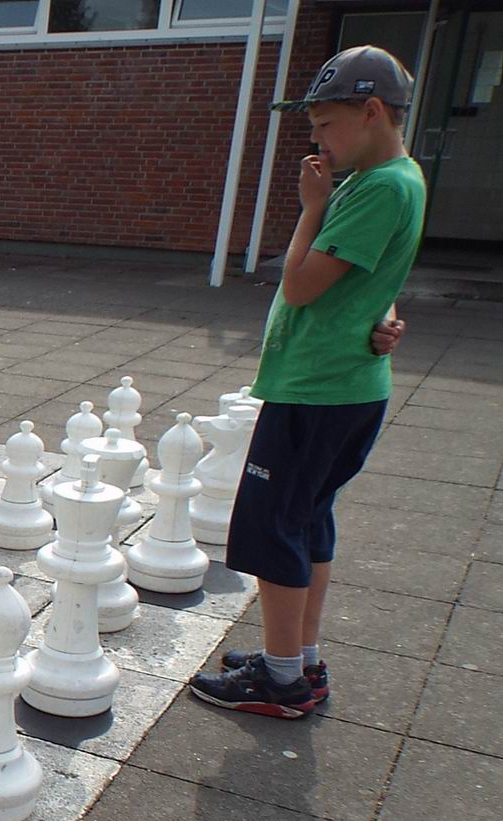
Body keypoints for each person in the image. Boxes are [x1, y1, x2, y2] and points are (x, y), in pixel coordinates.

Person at [190, 46, 425, 719]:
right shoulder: (393, 177)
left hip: (319, 390)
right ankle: (299, 657)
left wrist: (309, 209)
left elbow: (296, 284)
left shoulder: (378, 187)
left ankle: (282, 680)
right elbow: (376, 274)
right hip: (341, 385)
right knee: (307, 522)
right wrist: (384, 315)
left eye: (324, 125)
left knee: (274, 530)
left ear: (371, 112)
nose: (316, 141)